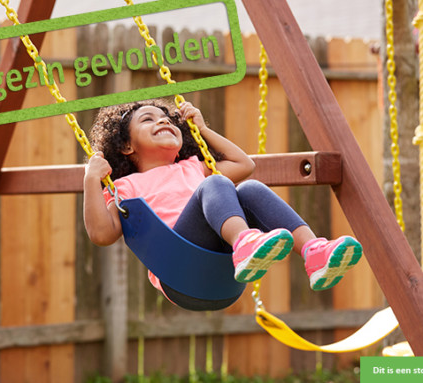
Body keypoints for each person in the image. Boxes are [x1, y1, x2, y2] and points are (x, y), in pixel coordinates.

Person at [83, 98, 363, 310]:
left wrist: (203, 129)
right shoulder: (125, 187)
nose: (164, 121)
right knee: (215, 183)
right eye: (148, 120)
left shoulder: (193, 167)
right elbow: (102, 234)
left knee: (250, 188)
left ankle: (315, 253)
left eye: (168, 118)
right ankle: (245, 243)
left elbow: (245, 165)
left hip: (222, 273)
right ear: (126, 146)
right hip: (179, 270)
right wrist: (90, 179)